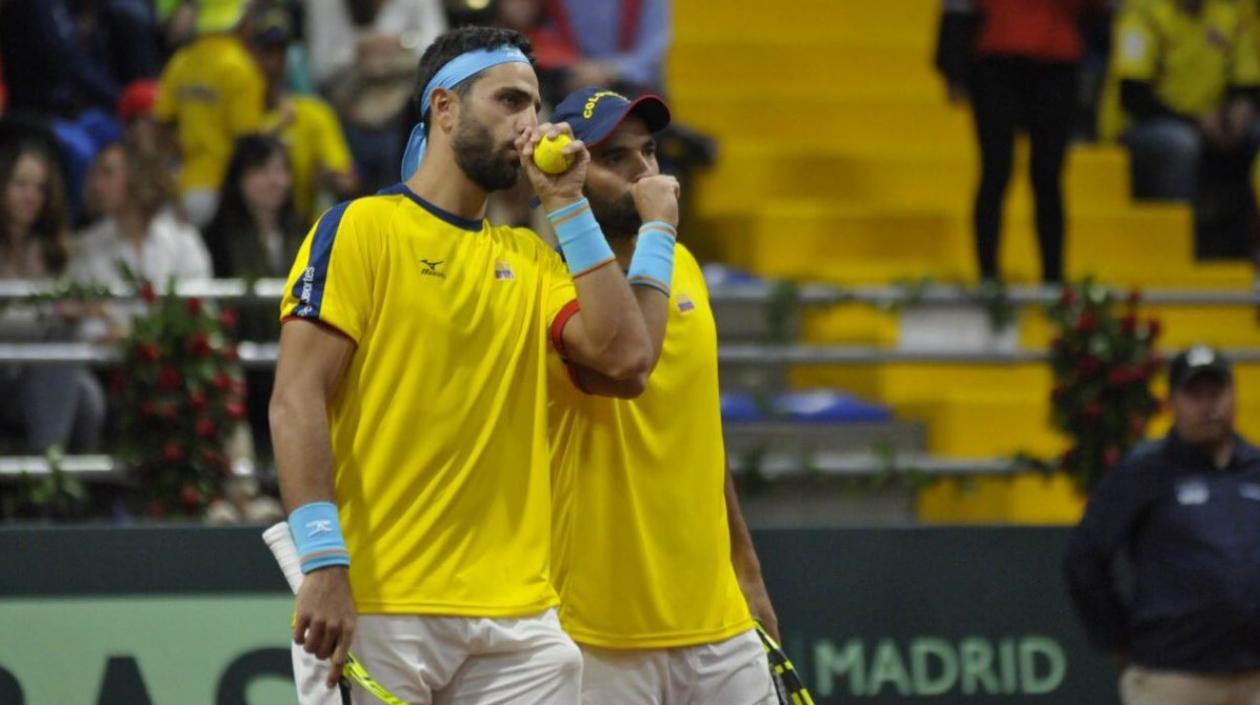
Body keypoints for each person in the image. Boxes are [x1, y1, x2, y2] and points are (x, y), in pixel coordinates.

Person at [271, 26, 662, 702]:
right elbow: (296, 396)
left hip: (520, 621)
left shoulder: (534, 258)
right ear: (444, 108)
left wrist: (567, 204)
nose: (530, 123)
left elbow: (627, 361)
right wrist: (324, 560)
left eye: (535, 106)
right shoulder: (363, 228)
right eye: (510, 101)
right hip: (382, 600)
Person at [545, 87, 779, 704]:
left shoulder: (687, 268)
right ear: (569, 170)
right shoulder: (545, 285)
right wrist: (658, 228)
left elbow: (699, 433)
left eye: (649, 152)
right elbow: (629, 366)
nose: (645, 172)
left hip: (718, 621)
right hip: (598, 632)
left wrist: (747, 575)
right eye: (615, 159)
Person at [1064, 345, 1260, 705]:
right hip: (1173, 678)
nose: (1208, 406)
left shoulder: (1255, 468)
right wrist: (1117, 639)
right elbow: (1085, 557)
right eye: (1194, 394)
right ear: (1172, 402)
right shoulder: (1144, 471)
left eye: (1216, 393)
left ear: (1234, 394)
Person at [935, 0, 1105, 284]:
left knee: (1047, 175)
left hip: (1054, 61)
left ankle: (1053, 277)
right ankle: (988, 276)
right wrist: (952, 65)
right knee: (997, 169)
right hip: (997, 63)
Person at [1109, 0, 1260, 259]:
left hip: (1215, 124)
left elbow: (1247, 81)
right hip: (1143, 128)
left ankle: (1246, 247)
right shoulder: (1142, 15)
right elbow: (1133, 94)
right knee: (1181, 144)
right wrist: (1197, 122)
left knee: (1254, 134)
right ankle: (1176, 251)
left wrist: (1239, 110)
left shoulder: (1230, 16)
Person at [0, 139, 105, 454]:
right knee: (59, 335)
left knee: (88, 398)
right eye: (21, 184)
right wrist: (49, 315)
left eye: (41, 188)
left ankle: (55, 484)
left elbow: (87, 313)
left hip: (41, 375)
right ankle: (48, 479)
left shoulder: (57, 252)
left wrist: (89, 316)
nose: (32, 196)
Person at [153, 0, 268, 227]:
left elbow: (161, 125)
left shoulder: (181, 60)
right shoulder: (240, 66)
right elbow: (247, 141)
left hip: (180, 185)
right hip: (219, 189)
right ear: (241, 20)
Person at [249, 4, 358, 229]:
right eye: (264, 53)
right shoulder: (237, 114)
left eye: (280, 53)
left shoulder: (313, 113)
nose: (272, 64)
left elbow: (347, 180)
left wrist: (330, 177)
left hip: (299, 228)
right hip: (244, 227)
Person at [72, 141, 211, 293]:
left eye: (108, 173)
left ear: (137, 174)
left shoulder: (182, 239)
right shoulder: (88, 246)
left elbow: (200, 302)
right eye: (96, 175)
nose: (98, 185)